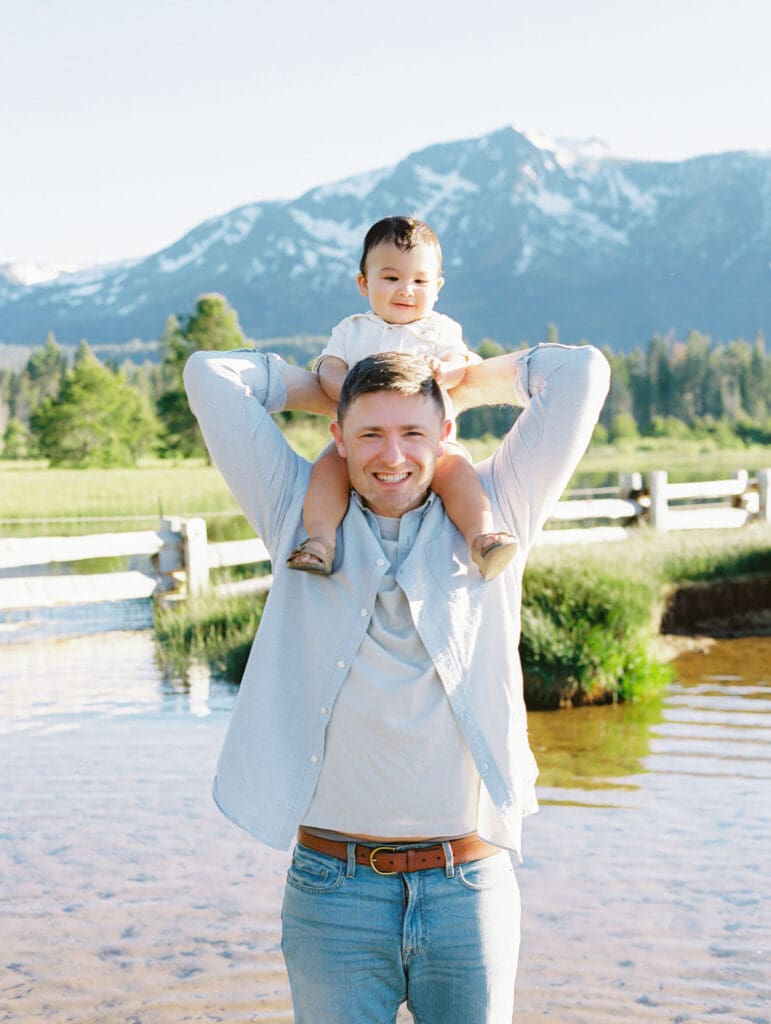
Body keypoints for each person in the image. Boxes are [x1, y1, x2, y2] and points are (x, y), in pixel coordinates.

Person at [184, 335, 610, 1023]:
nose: (391, 456)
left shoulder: (497, 514)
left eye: (413, 432)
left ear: (444, 436)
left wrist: (461, 381)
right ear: (338, 439)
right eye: (369, 433)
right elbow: (210, 376)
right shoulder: (298, 514)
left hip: (468, 888)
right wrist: (329, 382)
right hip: (332, 892)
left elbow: (581, 371)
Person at [286, 216, 517, 581]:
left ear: (437, 287)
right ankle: (320, 540)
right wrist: (347, 384)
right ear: (364, 283)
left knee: (457, 474)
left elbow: (462, 363)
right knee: (327, 472)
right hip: (360, 439)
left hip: (428, 442)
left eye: (420, 281)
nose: (406, 290)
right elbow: (328, 369)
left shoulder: (440, 329)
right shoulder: (353, 329)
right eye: (392, 278)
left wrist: (445, 369)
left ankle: (482, 537)